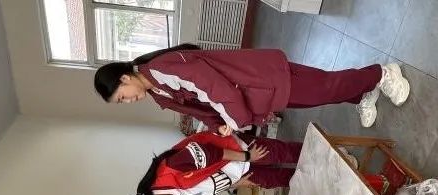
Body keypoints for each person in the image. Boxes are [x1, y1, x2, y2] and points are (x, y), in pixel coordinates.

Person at [94, 44, 410, 130]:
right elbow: (201, 110)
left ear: (124, 79)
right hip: (258, 96)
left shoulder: (162, 69)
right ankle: (362, 94)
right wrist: (219, 126)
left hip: (261, 79)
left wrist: (235, 122)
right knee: (315, 98)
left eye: (122, 98)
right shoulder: (158, 93)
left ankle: (382, 74)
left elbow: (213, 87)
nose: (128, 102)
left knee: (325, 87)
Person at [124, 131, 302, 195]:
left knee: (286, 153)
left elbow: (212, 153)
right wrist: (235, 184)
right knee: (284, 179)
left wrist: (247, 156)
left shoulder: (169, 170)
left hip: (238, 151)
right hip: (235, 175)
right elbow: (204, 191)